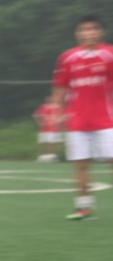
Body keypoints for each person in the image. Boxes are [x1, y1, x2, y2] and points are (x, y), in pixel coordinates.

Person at [51, 15, 113, 220]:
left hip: (107, 121)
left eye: (93, 29)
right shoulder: (67, 58)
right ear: (77, 34)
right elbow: (60, 88)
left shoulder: (109, 54)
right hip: (77, 122)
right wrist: (57, 110)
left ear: (101, 32)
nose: (88, 33)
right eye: (84, 30)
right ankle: (84, 207)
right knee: (80, 164)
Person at [32, 96, 64, 162]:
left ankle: (52, 157)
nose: (49, 99)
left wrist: (60, 125)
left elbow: (61, 116)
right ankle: (42, 157)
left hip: (53, 128)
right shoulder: (43, 107)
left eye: (50, 98)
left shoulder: (57, 107)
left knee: (51, 142)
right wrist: (39, 123)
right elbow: (36, 115)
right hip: (44, 128)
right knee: (42, 142)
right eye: (48, 98)